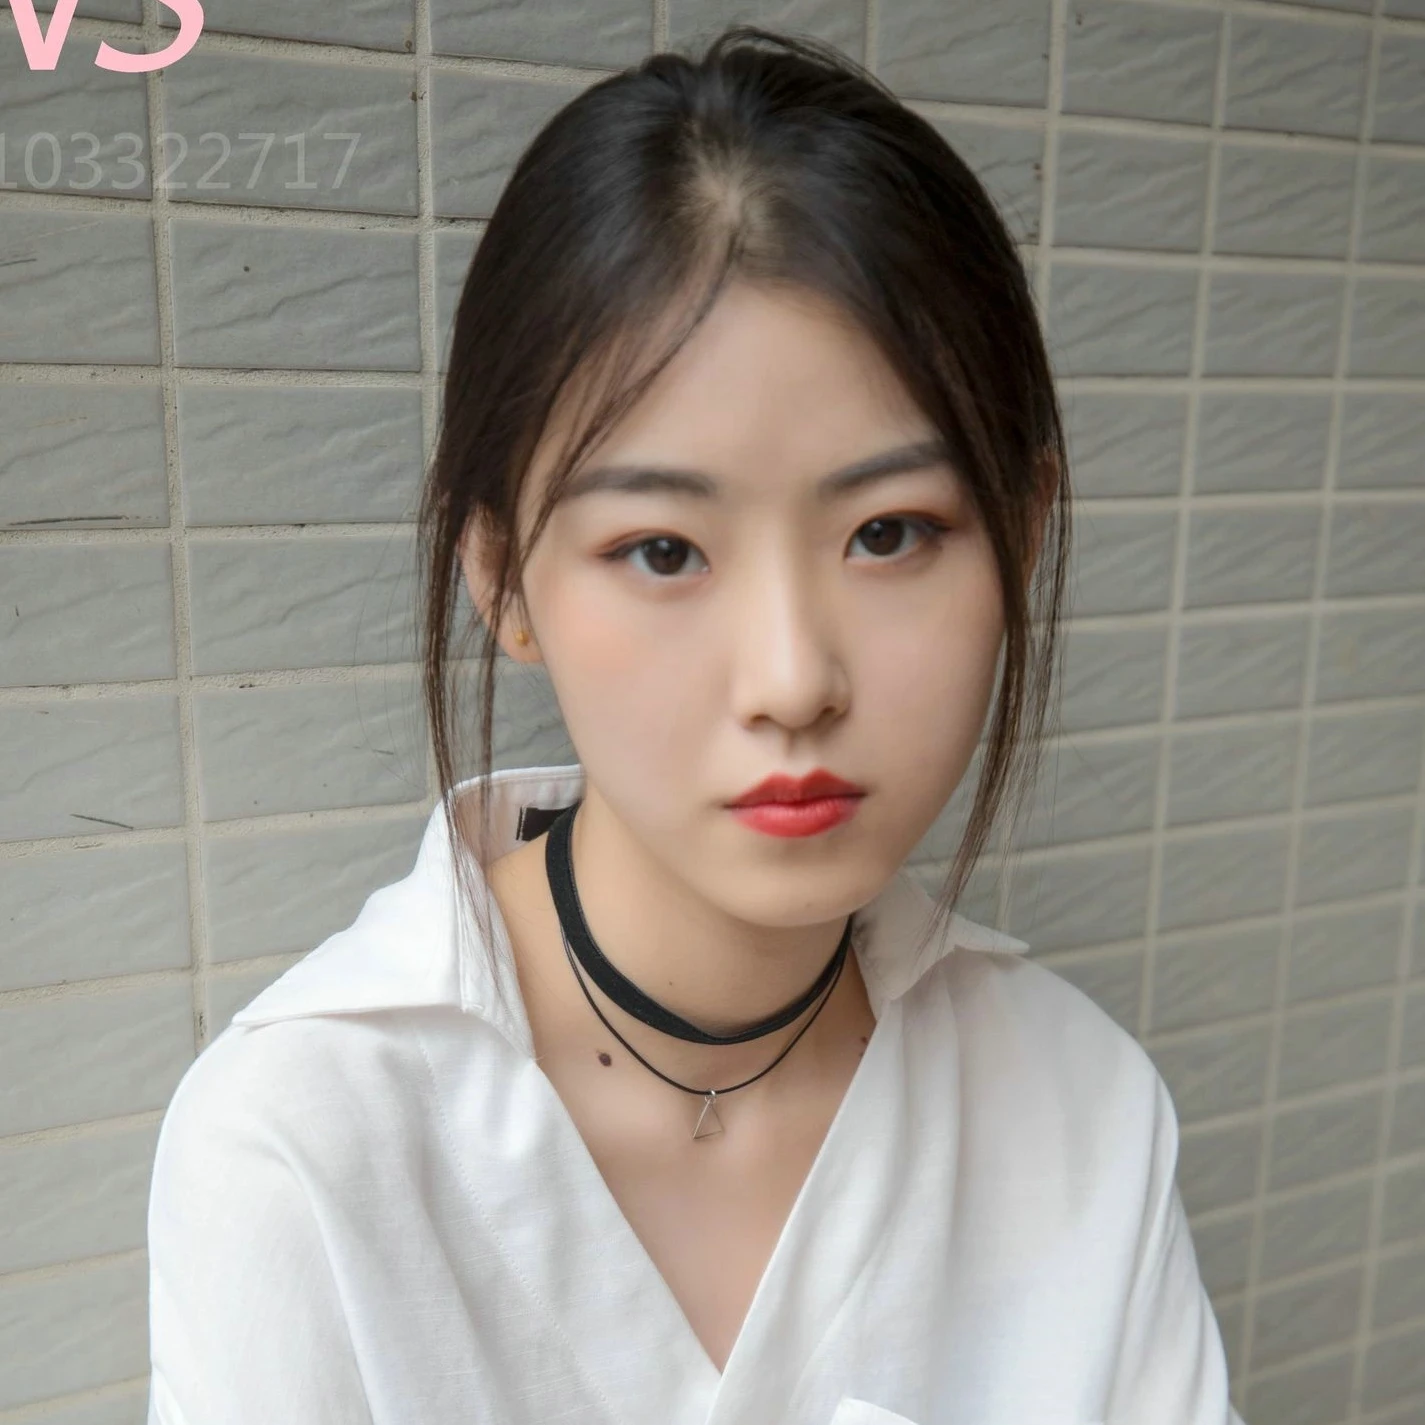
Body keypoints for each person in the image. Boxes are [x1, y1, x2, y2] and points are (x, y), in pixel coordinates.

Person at [144, 25, 1245, 1425]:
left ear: (1021, 538)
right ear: (505, 580)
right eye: (664, 551)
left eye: (891, 532)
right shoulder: (303, 1141)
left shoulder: (1078, 1106)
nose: (791, 680)